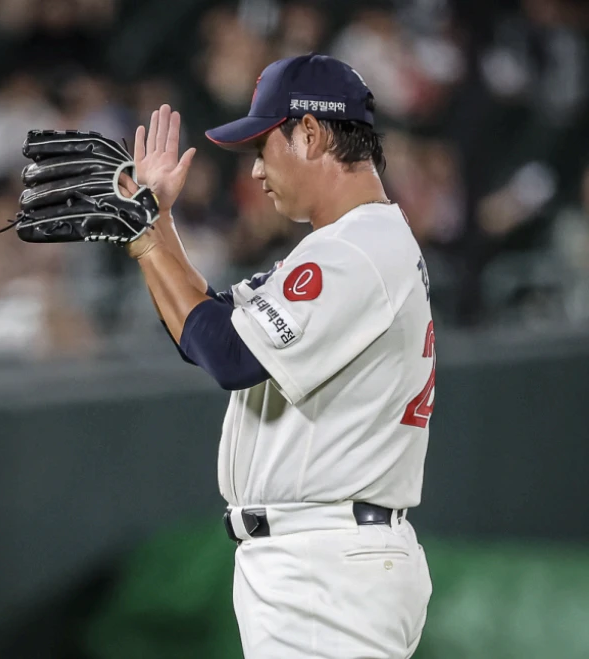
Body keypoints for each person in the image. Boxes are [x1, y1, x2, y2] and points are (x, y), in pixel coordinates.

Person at [123, 54, 434, 659]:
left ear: (311, 133)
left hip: (326, 564)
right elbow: (205, 324)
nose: (258, 169)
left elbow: (231, 355)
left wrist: (145, 235)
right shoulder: (351, 245)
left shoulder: (357, 251)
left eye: (265, 146)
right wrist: (153, 226)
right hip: (322, 560)